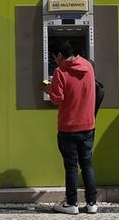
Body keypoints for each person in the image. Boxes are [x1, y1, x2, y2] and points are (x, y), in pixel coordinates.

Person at [42, 39, 98, 215]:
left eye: (54, 57)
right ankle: (91, 203)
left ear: (60, 55)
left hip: (68, 128)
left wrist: (47, 89)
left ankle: (72, 203)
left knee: (72, 166)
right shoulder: (88, 66)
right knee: (87, 164)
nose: (54, 60)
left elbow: (57, 99)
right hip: (88, 125)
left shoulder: (60, 72)